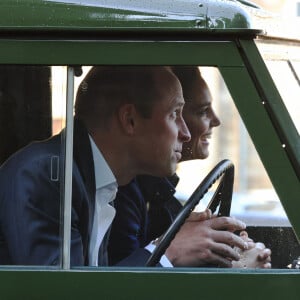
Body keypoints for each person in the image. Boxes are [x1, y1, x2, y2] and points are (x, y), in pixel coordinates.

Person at [0, 66, 191, 266]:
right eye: (174, 113)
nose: (186, 133)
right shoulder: (47, 175)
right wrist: (169, 252)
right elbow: (58, 291)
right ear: (130, 119)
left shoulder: (97, 180)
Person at [108, 66, 272, 268]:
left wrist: (223, 250)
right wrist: (236, 267)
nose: (216, 121)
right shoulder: (124, 191)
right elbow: (125, 282)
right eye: (202, 111)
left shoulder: (155, 188)